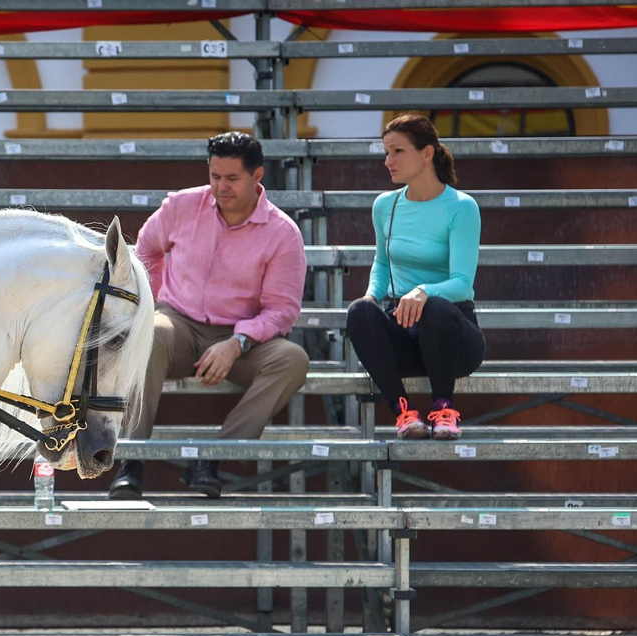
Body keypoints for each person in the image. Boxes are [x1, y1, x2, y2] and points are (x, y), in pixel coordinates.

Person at [108, 132, 309, 501]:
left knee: (293, 360)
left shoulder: (283, 234)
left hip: (243, 338)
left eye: (232, 178)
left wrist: (238, 342)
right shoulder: (181, 206)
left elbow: (282, 310)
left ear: (257, 176)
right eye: (215, 176)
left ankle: (213, 459)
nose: (221, 187)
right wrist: (147, 302)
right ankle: (131, 461)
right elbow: (146, 250)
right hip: (178, 324)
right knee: (148, 333)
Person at [345, 114, 484, 440]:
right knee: (359, 312)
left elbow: (462, 283)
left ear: (427, 153)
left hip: (451, 335)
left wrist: (422, 291)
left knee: (434, 307)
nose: (388, 161)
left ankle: (444, 410)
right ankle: (404, 413)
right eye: (386, 152)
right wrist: (371, 297)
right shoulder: (384, 206)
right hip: (404, 335)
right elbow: (382, 262)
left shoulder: (462, 207)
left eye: (397, 152)